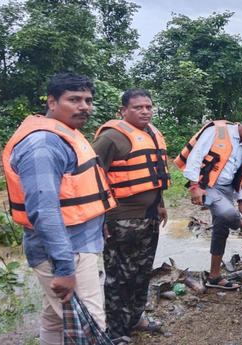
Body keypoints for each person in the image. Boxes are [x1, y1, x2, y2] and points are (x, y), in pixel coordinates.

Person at [2, 73, 117, 345]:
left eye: (88, 100)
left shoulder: (66, 135)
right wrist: (64, 268)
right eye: (74, 99)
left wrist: (100, 222)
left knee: (55, 318)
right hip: (65, 252)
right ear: (52, 102)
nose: (84, 107)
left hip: (77, 244)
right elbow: (44, 210)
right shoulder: (43, 144)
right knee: (90, 325)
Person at [92, 88, 170, 343]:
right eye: (138, 107)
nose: (145, 111)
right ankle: (116, 332)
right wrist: (101, 217)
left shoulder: (153, 134)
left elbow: (156, 175)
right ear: (123, 111)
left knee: (142, 272)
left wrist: (160, 203)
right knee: (119, 278)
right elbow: (92, 179)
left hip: (149, 218)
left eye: (148, 106)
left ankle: (135, 318)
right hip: (121, 220)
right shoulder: (112, 138)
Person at [174, 116, 242, 289]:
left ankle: (214, 276)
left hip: (228, 189)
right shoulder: (217, 131)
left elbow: (240, 174)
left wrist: (241, 200)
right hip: (208, 185)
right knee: (228, 214)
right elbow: (195, 157)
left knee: (221, 229)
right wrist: (195, 186)